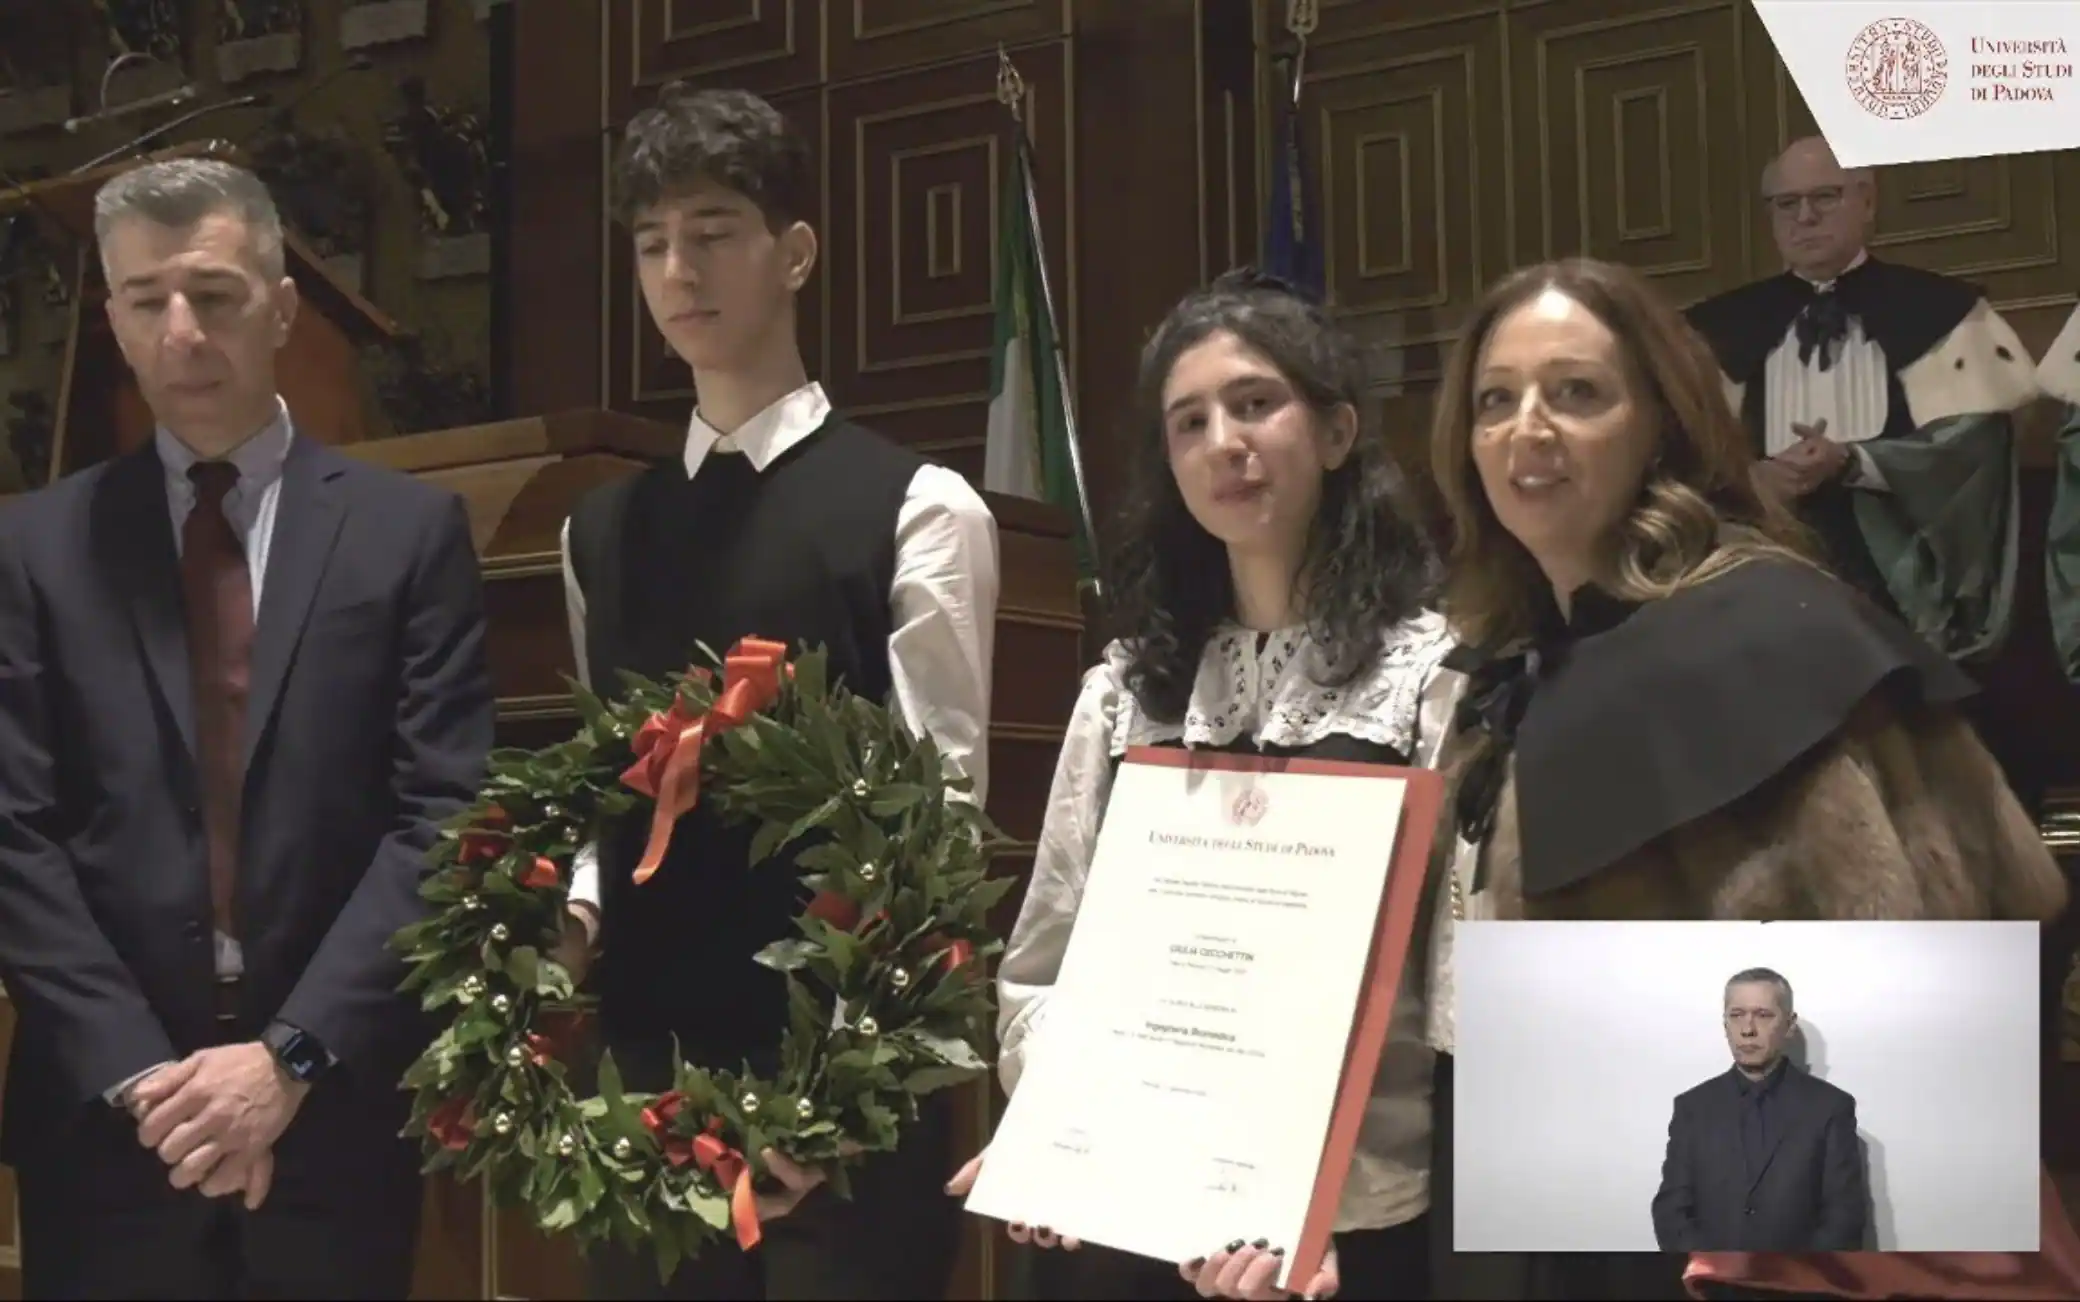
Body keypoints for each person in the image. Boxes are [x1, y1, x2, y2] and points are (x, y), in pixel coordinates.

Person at [1421, 255, 2079, 1301]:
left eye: (1576, 392)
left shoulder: (1767, 635)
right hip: (1584, 1222)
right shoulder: (1509, 663)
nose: (1525, 428)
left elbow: (1912, 1071)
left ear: (1662, 424)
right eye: (1495, 400)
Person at [0, 157, 494, 1298]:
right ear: (115, 323)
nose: (182, 331)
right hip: (112, 1122)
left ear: (280, 305)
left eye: (214, 295)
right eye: (144, 301)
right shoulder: (33, 548)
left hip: (336, 1108)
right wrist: (146, 1083)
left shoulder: (406, 535)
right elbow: (13, 832)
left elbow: (444, 816)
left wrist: (288, 1062)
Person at [554, 85, 1000, 1301]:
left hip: (836, 1092)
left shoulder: (916, 509)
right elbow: (612, 793)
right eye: (650, 243)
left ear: (794, 253)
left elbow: (938, 832)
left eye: (713, 230)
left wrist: (840, 1098)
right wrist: (566, 924)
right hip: (647, 1077)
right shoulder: (599, 532)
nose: (678, 269)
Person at [947, 268, 1459, 1301]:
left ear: (1335, 431)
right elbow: (1047, 961)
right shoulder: (1123, 693)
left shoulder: (1428, 685)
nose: (1223, 440)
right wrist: (1058, 1133)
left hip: (1340, 1236)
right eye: (1189, 420)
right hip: (1126, 1213)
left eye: (1256, 403)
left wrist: (1309, 1198)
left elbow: (1451, 994)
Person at [1684, 136, 2039, 662]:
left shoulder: (1941, 309)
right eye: (1787, 203)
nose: (1804, 216)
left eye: (1824, 197)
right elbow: (1680, 456)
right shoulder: (1716, 329)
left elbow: (1973, 451)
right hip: (1762, 564)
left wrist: (1856, 462)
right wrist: (1749, 480)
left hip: (1898, 570)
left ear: (1866, 202)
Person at [1650, 969, 1868, 1255]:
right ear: (1724, 1023)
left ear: (1789, 1025)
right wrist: (1712, 1274)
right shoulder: (1692, 1107)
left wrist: (1794, 1281)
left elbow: (1844, 1218)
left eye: (1763, 1015)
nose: (1748, 1028)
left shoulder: (1830, 1107)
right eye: (1736, 1014)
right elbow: (1671, 1211)